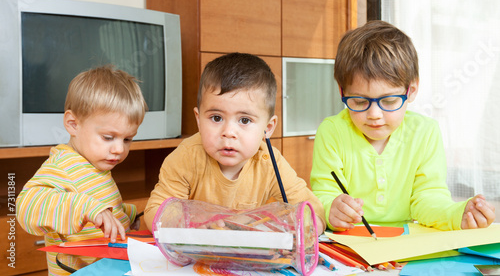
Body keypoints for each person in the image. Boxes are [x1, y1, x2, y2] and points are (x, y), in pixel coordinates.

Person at [310, 20, 495, 232]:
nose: (374, 115)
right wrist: (331, 208)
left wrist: (455, 214)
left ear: (411, 90)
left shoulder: (425, 132)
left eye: (388, 101)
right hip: (348, 244)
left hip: (405, 241)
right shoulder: (331, 132)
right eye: (359, 102)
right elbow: (323, 193)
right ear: (342, 92)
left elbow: (428, 197)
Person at [144, 52, 326, 234]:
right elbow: (155, 212)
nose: (228, 132)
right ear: (199, 120)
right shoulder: (186, 157)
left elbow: (314, 212)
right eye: (216, 118)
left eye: (244, 120)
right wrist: (189, 223)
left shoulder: (270, 162)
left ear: (268, 128)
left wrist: (305, 226)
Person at [16, 66, 147, 275]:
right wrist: (85, 207)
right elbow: (26, 206)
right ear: (73, 124)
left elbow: (102, 201)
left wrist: (127, 215)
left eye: (128, 139)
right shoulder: (62, 166)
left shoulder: (96, 164)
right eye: (108, 137)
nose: (119, 149)